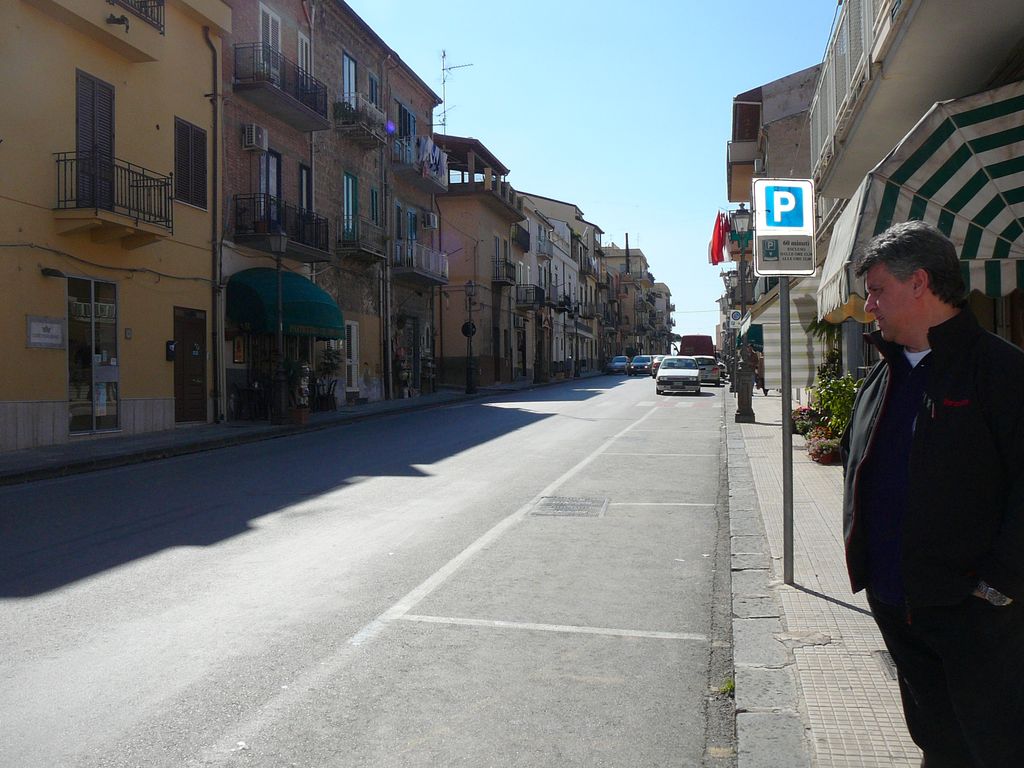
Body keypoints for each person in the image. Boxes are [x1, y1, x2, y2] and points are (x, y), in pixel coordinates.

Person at [841, 220, 1024, 767]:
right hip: (896, 605)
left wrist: (997, 587)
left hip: (975, 614)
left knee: (994, 747)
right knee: (936, 742)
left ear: (919, 282)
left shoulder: (1002, 371)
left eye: (878, 290)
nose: (869, 305)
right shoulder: (882, 376)